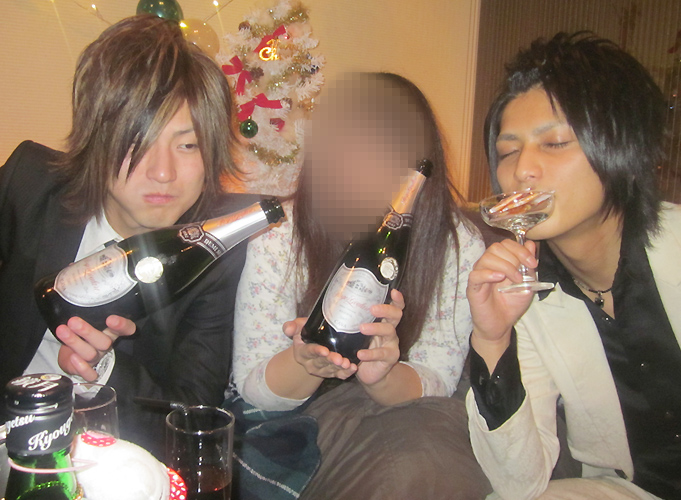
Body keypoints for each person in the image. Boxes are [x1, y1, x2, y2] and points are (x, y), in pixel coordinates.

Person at [0, 15, 255, 456]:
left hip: (102, 462)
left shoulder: (215, 254)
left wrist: (103, 367)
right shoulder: (30, 184)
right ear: (96, 138)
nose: (163, 173)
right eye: (138, 140)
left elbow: (191, 417)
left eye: (188, 144)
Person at [229, 73, 491, 499]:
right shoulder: (280, 235)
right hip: (300, 416)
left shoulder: (456, 243)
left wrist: (382, 373)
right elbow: (252, 386)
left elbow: (438, 377)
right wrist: (304, 362)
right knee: (406, 466)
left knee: (424, 458)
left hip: (410, 410)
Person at [466, 32, 681, 499]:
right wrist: (492, 339)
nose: (522, 170)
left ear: (622, 147)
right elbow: (519, 484)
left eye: (554, 142)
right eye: (508, 151)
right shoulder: (526, 299)